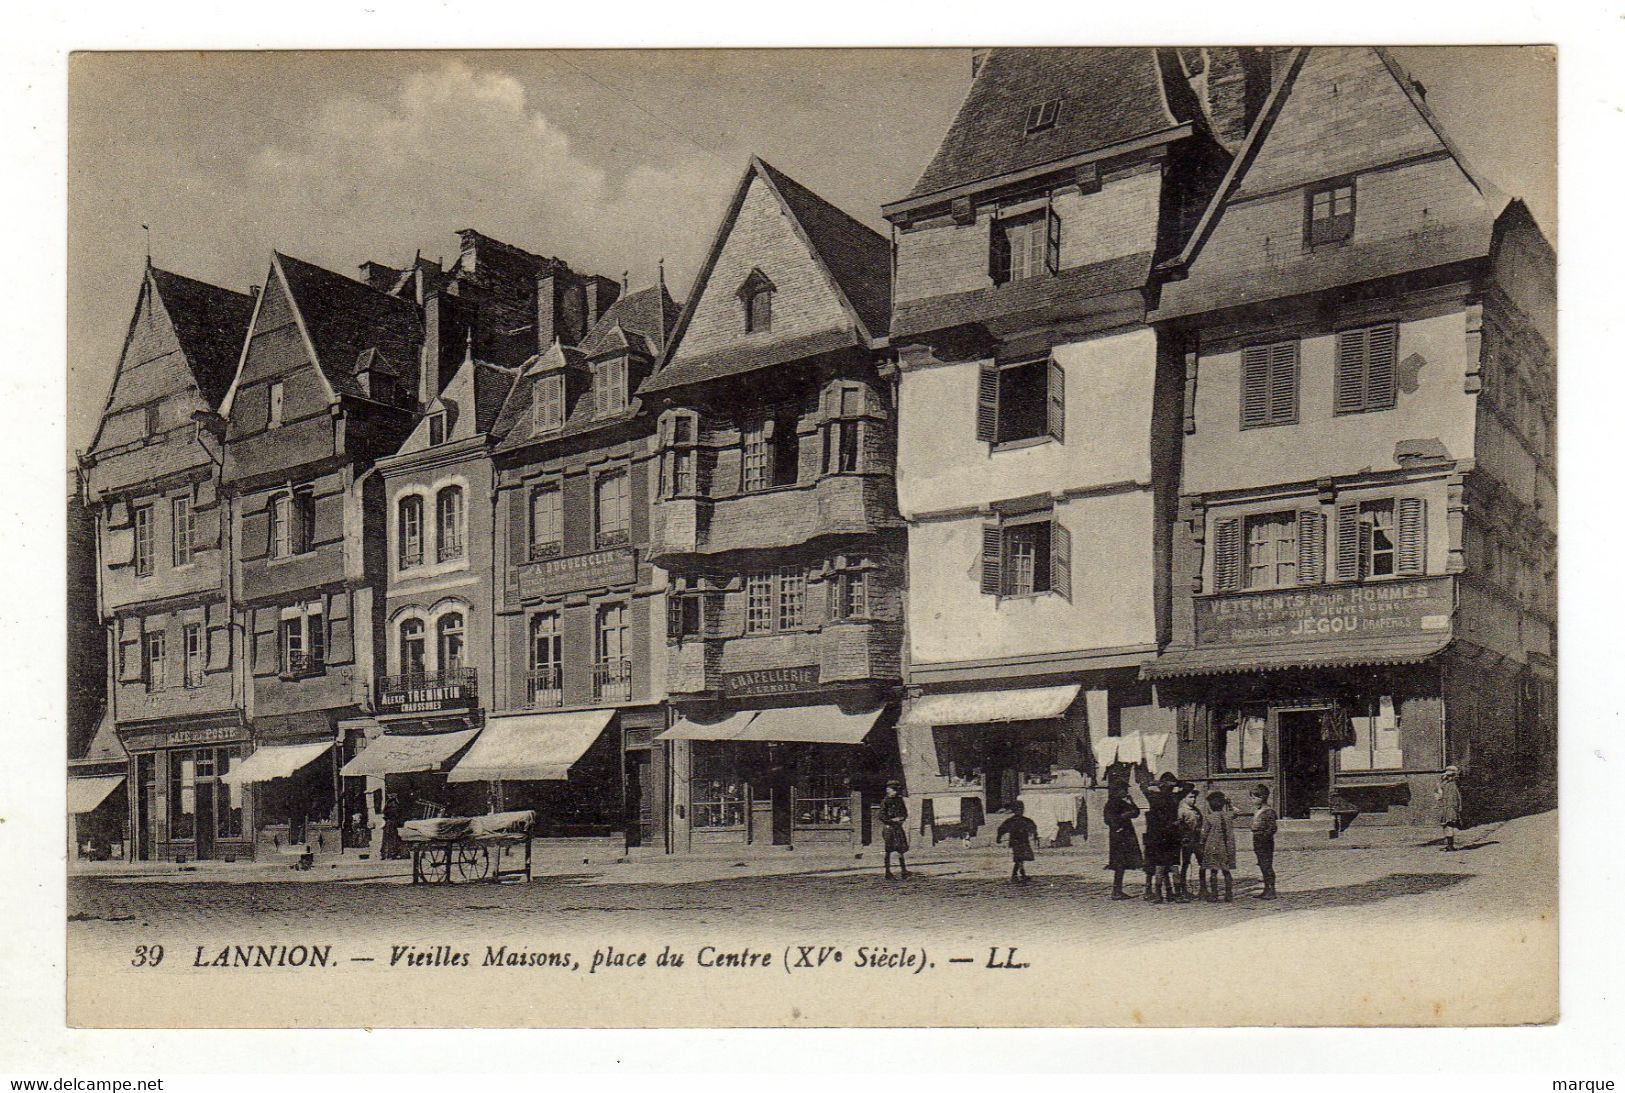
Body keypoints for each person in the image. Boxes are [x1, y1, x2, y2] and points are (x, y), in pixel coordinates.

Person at [1141, 771, 1181, 904]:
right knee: (1173, 865)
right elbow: (1189, 786)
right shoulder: (1175, 797)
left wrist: (1156, 783)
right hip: (1170, 835)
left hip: (1158, 836)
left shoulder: (1154, 796)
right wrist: (1176, 783)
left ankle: (1160, 894)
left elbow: (1143, 787)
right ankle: (1176, 893)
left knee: (1159, 866)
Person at [1103, 776, 1144, 900]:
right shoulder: (1112, 802)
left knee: (1123, 862)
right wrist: (1120, 823)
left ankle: (1117, 890)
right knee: (1119, 863)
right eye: (1124, 789)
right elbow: (1108, 819)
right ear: (1117, 790)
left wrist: (1131, 802)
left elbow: (1136, 813)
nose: (1126, 792)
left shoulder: (1124, 801)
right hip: (1119, 836)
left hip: (1126, 835)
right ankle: (1116, 891)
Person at [1201, 790, 1237, 902]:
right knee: (1226, 871)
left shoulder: (1209, 817)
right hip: (1226, 848)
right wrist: (1229, 803)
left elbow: (1204, 833)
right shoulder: (1228, 816)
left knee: (1213, 871)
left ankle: (1214, 894)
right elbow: (1236, 812)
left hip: (1213, 848)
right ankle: (1229, 894)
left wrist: (1201, 843)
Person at [996, 800, 1040, 884]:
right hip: (1016, 842)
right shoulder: (1017, 820)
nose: (1020, 811)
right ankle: (1021, 874)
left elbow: (1033, 828)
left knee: (1020, 858)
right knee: (1019, 858)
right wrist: (998, 837)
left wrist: (1035, 835)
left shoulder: (1022, 820)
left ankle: (1016, 874)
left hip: (1022, 841)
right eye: (1019, 809)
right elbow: (1001, 829)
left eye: (1021, 809)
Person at [1175, 782, 1205, 902]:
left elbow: (1201, 822)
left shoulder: (1196, 810)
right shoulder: (1181, 810)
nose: (1193, 800)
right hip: (1187, 841)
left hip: (1197, 840)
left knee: (1202, 863)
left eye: (1194, 797)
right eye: (1190, 797)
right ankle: (1184, 889)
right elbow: (1179, 826)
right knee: (1186, 864)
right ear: (1184, 798)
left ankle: (1203, 888)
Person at [1249, 784, 1278, 900]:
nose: (1252, 801)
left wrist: (1264, 838)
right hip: (1257, 840)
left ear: (1261, 797)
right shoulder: (1258, 810)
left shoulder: (1268, 812)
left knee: (1266, 865)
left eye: (1254, 798)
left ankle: (1271, 890)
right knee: (1262, 864)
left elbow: (1272, 828)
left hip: (1264, 842)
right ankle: (1266, 889)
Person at [879, 781, 910, 879]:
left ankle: (904, 871)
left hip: (898, 827)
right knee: (888, 850)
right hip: (889, 828)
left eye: (891, 790)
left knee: (901, 849)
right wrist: (891, 820)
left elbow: (905, 813)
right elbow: (881, 816)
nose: (889, 792)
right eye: (888, 790)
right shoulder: (885, 801)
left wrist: (901, 818)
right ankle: (887, 872)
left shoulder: (899, 800)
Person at [1436, 765, 1463, 851]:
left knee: (1449, 826)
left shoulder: (1451, 785)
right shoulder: (1449, 784)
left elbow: (1451, 798)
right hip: (1447, 807)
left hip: (1449, 808)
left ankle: (1450, 846)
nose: (1448, 777)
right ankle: (1449, 845)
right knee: (1447, 826)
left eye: (1450, 775)